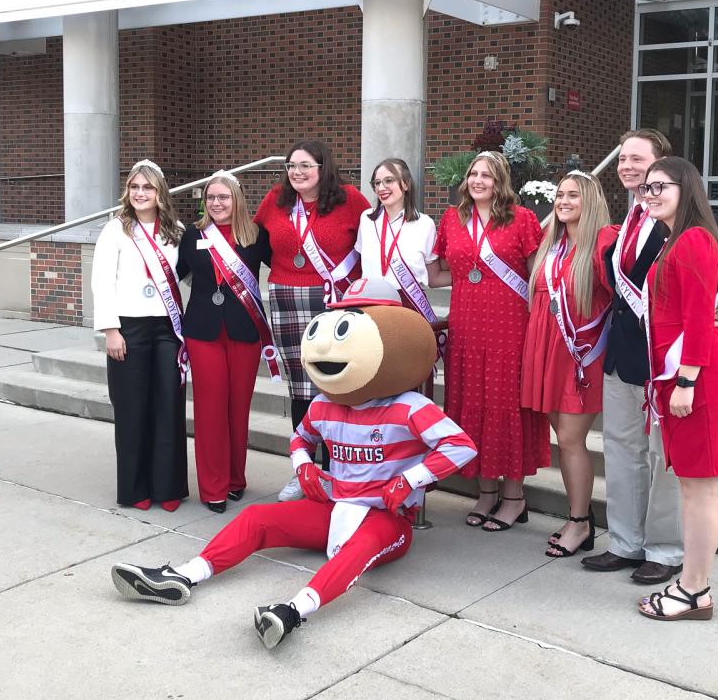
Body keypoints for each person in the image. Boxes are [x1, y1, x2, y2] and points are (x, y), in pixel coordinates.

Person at [110, 277, 476, 650]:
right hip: (335, 507)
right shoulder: (323, 404)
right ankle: (183, 576)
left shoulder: (412, 407)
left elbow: (461, 446)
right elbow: (301, 438)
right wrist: (303, 465)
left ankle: (291, 612)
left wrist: (411, 479)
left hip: (387, 518)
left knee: (359, 548)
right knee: (257, 518)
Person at [583, 128, 718, 586]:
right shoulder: (629, 220)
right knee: (621, 452)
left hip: (667, 365)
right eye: (624, 160)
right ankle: (624, 542)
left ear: (664, 168)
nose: (629, 168)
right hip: (623, 357)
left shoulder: (686, 226)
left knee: (664, 461)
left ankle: (664, 549)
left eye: (640, 160)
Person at [636, 157, 718, 621]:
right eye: (645, 187)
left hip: (698, 382)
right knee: (692, 490)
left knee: (701, 493)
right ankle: (691, 584)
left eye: (660, 185)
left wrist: (685, 381)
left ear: (687, 188)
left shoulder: (695, 239)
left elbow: (699, 319)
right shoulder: (673, 240)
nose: (650, 193)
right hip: (683, 380)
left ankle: (695, 590)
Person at [427, 151, 548, 532]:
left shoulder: (522, 219)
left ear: (500, 181)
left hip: (509, 327)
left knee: (505, 404)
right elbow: (438, 274)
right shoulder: (452, 218)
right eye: (473, 174)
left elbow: (536, 279)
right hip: (466, 326)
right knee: (472, 403)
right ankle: (486, 494)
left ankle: (514, 498)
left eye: (487, 175)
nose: (478, 180)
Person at [254, 140, 370, 501]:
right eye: (291, 166)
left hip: (337, 304)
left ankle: (338, 473)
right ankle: (304, 472)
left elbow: (370, 246)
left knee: (337, 385)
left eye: (306, 165)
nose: (298, 172)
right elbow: (255, 245)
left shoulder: (350, 199)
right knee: (302, 389)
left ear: (323, 168)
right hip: (288, 300)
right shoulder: (276, 199)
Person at [521, 171, 615, 557]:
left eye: (573, 195)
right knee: (565, 441)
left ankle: (580, 522)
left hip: (580, 357)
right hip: (546, 351)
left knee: (573, 442)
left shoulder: (604, 242)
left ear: (589, 201)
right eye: (560, 195)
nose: (563, 201)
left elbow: (623, 299)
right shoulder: (553, 244)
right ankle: (580, 517)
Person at [92, 159, 188, 513]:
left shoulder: (174, 230)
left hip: (167, 329)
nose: (140, 193)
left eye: (147, 187)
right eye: (134, 187)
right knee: (132, 408)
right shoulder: (115, 230)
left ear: (159, 191)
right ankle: (135, 489)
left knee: (168, 405)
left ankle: (169, 485)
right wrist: (111, 330)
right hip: (128, 329)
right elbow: (101, 282)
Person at [177, 170, 274, 513]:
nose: (217, 203)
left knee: (238, 409)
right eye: (211, 198)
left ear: (237, 199)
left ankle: (235, 480)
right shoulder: (192, 235)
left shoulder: (256, 236)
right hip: (203, 332)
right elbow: (181, 274)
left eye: (224, 197)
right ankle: (213, 486)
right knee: (210, 409)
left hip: (244, 330)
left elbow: (281, 266)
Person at [355, 157, 441, 342]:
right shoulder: (366, 220)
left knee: (411, 366)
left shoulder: (425, 224)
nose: (381, 188)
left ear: (406, 184)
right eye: (377, 183)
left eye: (389, 180)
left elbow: (432, 273)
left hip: (409, 303)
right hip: (371, 303)